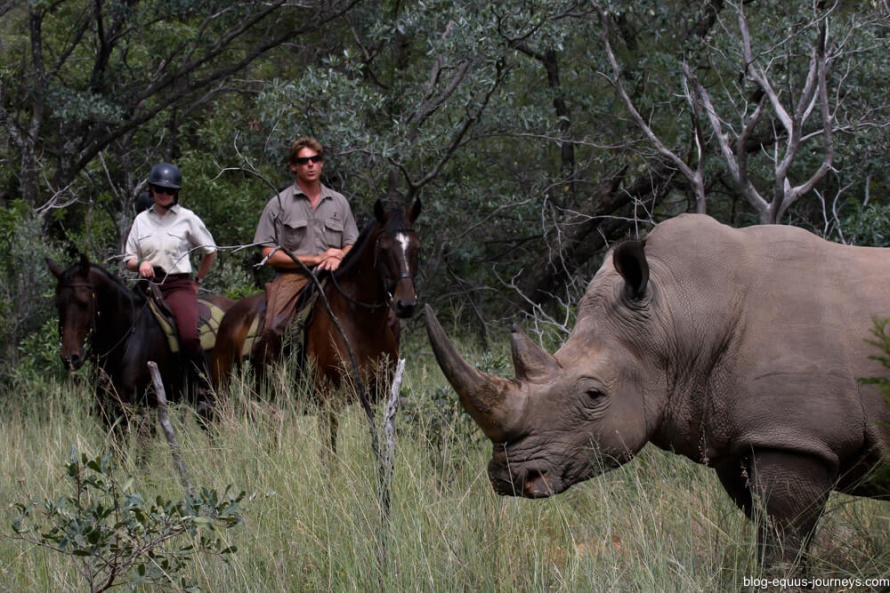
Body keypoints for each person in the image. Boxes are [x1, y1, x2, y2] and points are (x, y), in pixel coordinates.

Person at [252, 137, 359, 365]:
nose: (310, 164)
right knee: (273, 327)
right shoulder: (278, 204)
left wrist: (339, 255)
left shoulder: (339, 202)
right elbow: (268, 253)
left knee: (380, 315)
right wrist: (315, 258)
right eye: (303, 161)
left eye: (315, 159)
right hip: (294, 277)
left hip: (336, 275)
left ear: (321, 164)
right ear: (294, 166)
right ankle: (271, 377)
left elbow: (352, 243)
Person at [124, 162, 218, 399]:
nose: (164, 195)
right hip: (148, 285)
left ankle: (201, 384)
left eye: (169, 191)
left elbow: (210, 250)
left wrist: (197, 280)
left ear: (176, 192)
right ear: (151, 190)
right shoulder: (140, 221)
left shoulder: (187, 218)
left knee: (187, 333)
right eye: (159, 190)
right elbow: (129, 258)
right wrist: (140, 263)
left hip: (177, 284)